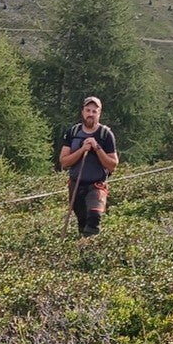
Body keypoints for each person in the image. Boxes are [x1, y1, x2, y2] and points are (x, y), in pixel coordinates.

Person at [59, 96, 119, 238]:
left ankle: (91, 251)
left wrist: (97, 148)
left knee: (94, 218)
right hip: (76, 185)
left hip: (96, 185)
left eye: (94, 111)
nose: (90, 114)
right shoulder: (72, 133)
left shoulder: (106, 135)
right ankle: (84, 253)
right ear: (82, 112)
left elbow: (113, 165)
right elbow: (64, 162)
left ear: (99, 114)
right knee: (82, 223)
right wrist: (81, 150)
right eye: (88, 110)